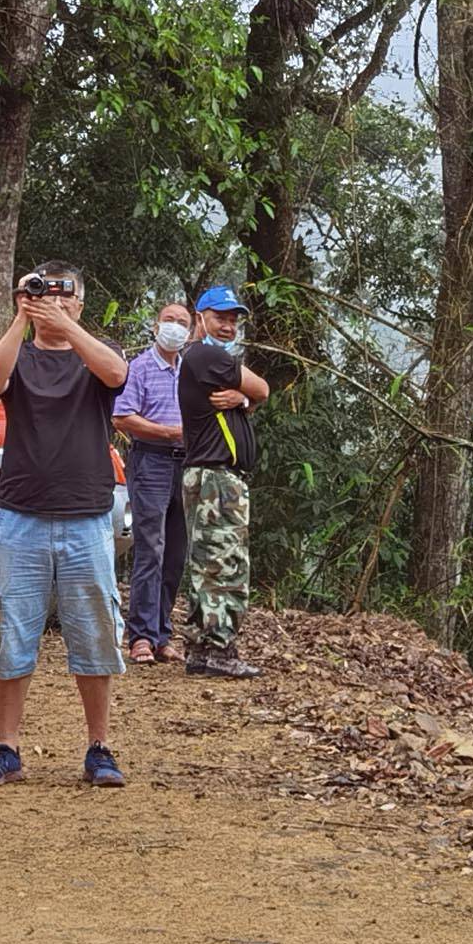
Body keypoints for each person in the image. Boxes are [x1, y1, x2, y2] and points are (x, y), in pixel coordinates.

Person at [0, 262, 131, 787]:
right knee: (12, 634)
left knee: (94, 635)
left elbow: (117, 374)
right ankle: (7, 747)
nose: (52, 304)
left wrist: (69, 330)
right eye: (42, 294)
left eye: (64, 296)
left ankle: (100, 747)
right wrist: (22, 321)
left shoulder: (91, 358)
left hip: (87, 518)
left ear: (80, 303)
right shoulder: (20, 355)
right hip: (21, 518)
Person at [175, 284, 271, 678]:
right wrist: (247, 394)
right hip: (216, 478)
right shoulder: (205, 354)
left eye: (233, 320)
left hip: (214, 476)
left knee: (208, 560)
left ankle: (200, 647)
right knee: (223, 563)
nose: (228, 326)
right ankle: (218, 649)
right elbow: (264, 388)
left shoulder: (206, 360)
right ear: (201, 318)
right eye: (220, 318)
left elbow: (253, 396)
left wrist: (241, 399)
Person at [110, 299, 193, 665]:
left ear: (190, 332)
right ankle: (140, 636)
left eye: (182, 322)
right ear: (156, 326)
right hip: (151, 461)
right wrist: (167, 432)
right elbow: (122, 416)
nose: (175, 327)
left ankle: (162, 635)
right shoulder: (140, 368)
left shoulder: (190, 372)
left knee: (176, 552)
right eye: (169, 320)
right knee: (151, 549)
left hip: (186, 465)